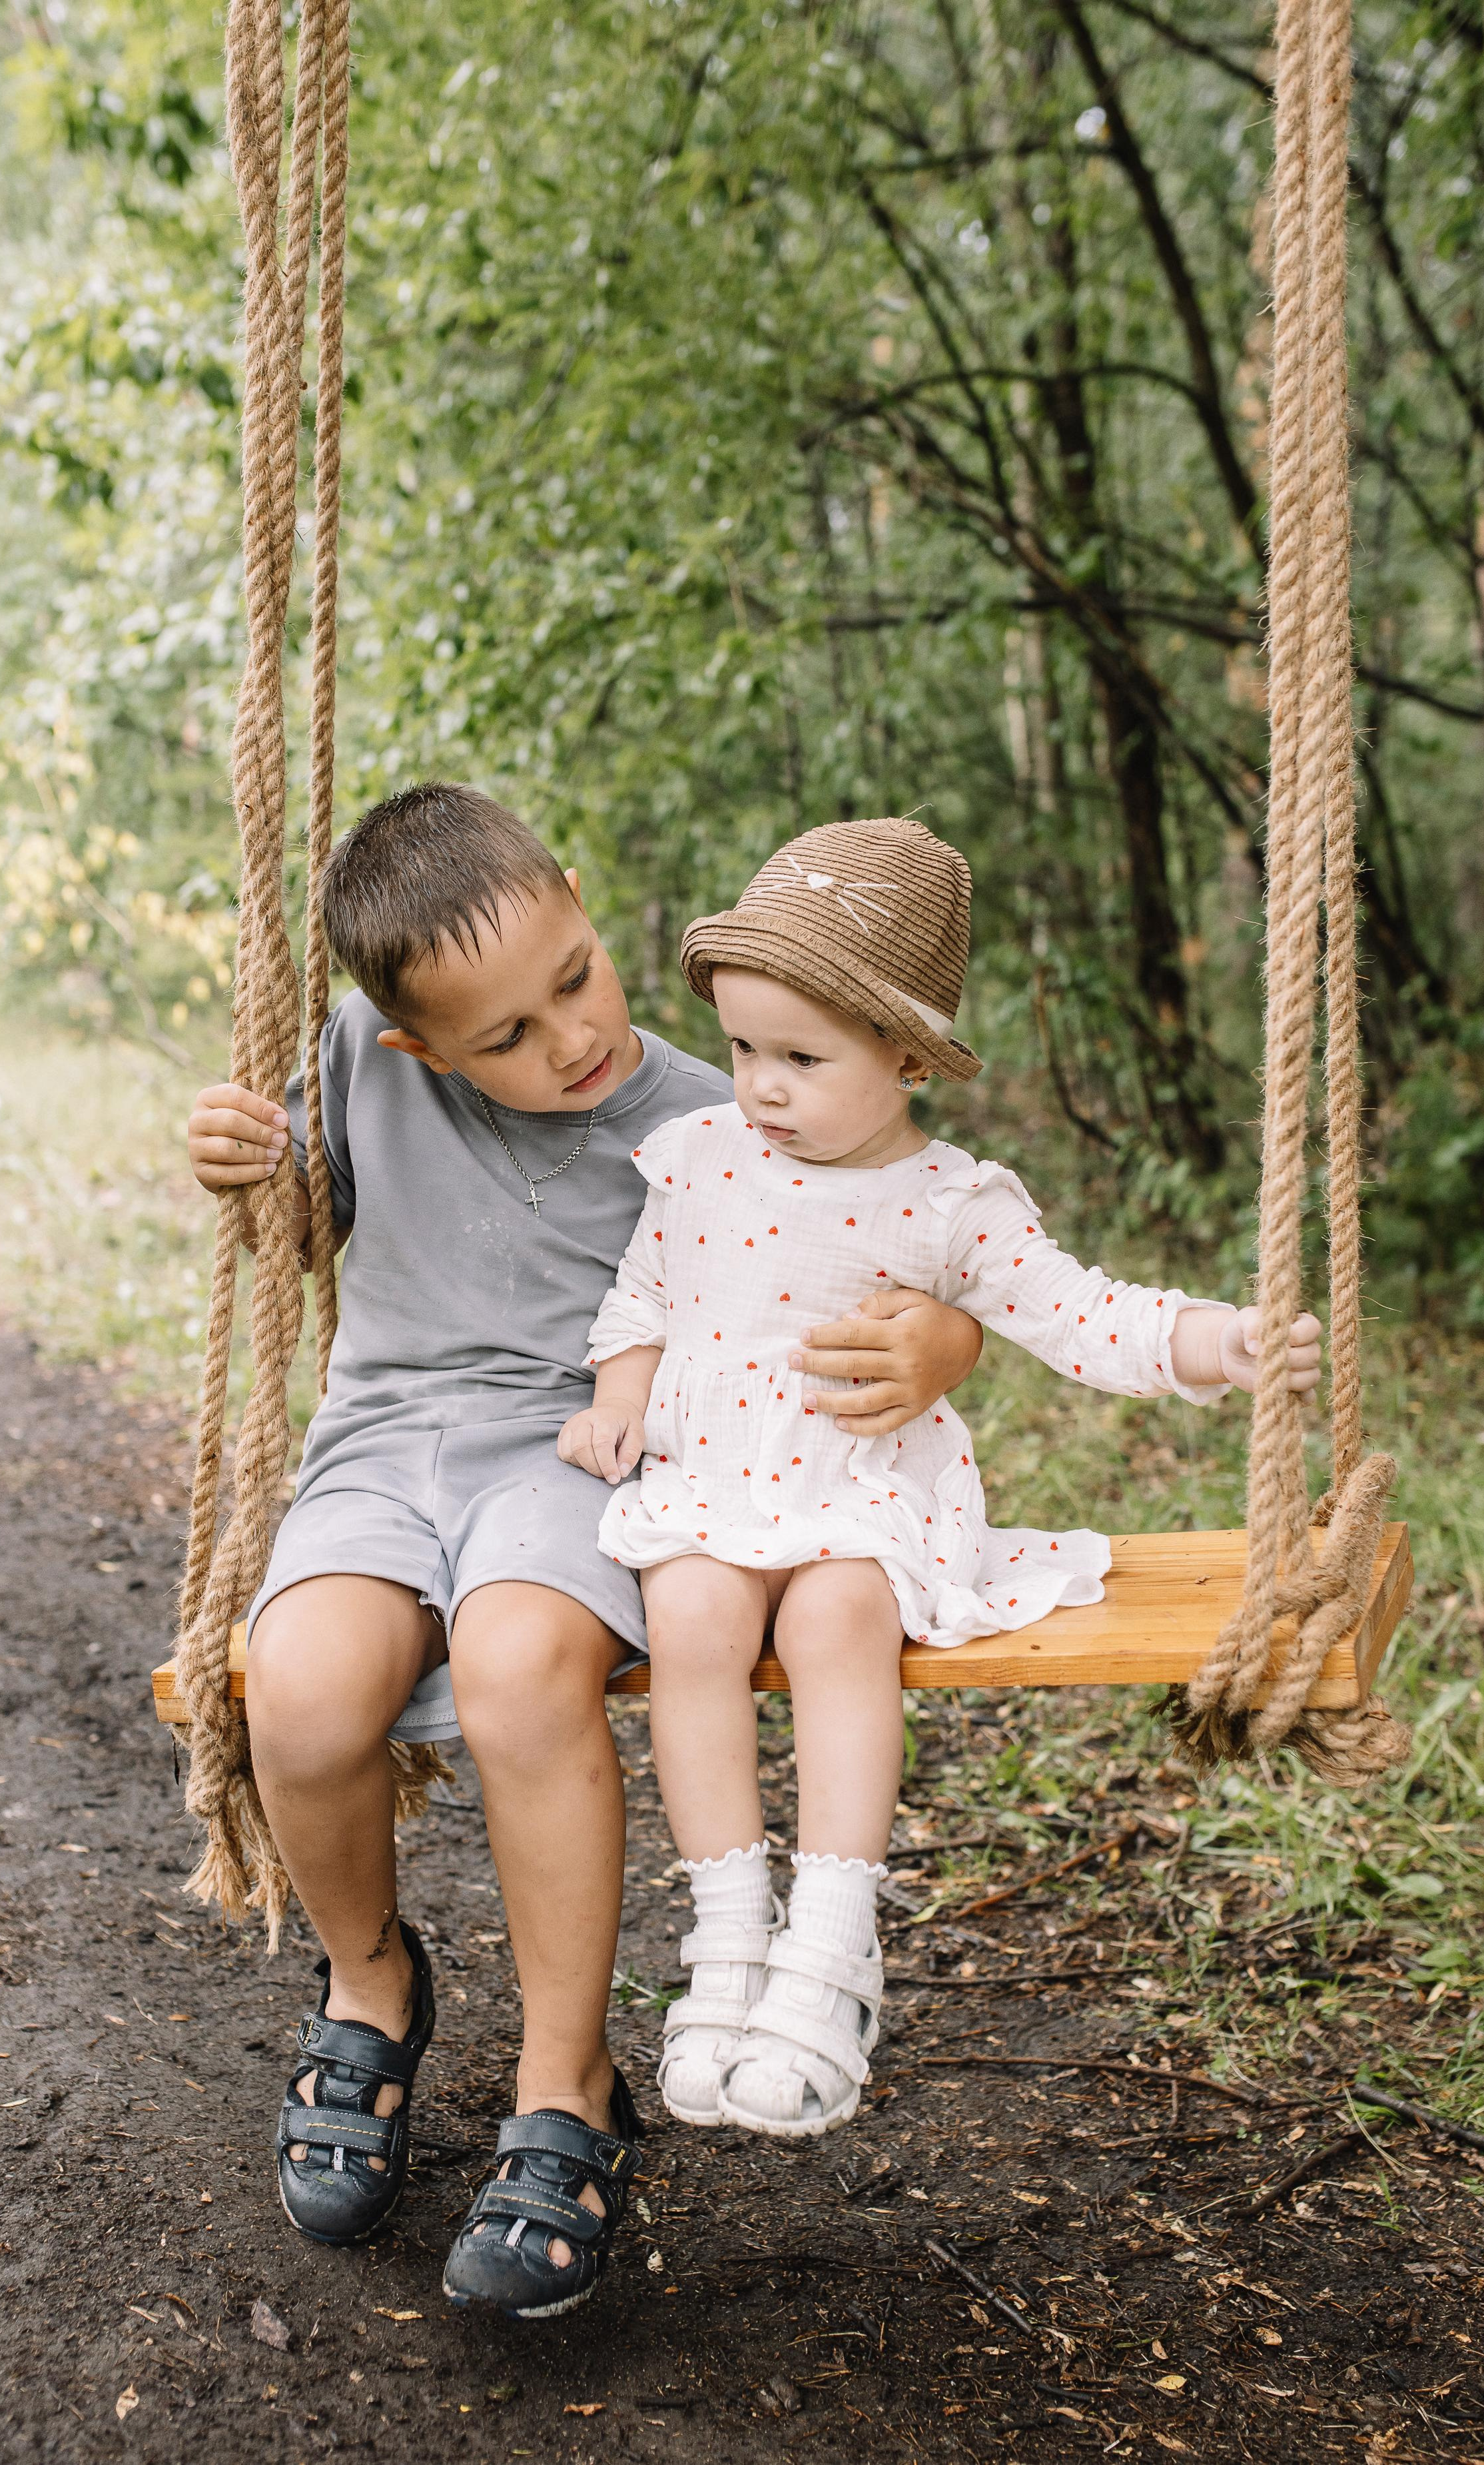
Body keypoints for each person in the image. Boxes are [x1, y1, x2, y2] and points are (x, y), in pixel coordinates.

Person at [184, 783, 983, 2318]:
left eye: (577, 972)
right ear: (418, 1045)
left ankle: (566, 2081)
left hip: (580, 1453)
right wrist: (251, 1165)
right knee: (297, 1685)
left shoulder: (727, 1111)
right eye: (506, 1035)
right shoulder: (361, 1056)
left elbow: (910, 1235)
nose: (570, 1039)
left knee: (518, 1659)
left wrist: (937, 1339)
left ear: (576, 894)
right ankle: (370, 1985)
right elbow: (306, 1227)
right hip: (383, 1441)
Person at [558, 816, 1323, 2142]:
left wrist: (1223, 1338)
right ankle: (733, 1929)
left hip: (860, 1493)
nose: (760, 1086)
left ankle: (833, 1944)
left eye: (801, 1056)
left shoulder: (951, 1202)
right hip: (717, 1484)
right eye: (743, 1048)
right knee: (687, 1616)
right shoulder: (698, 1157)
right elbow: (646, 1294)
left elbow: (1087, 1317)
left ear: (909, 1057)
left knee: (836, 1614)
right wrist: (619, 1394)